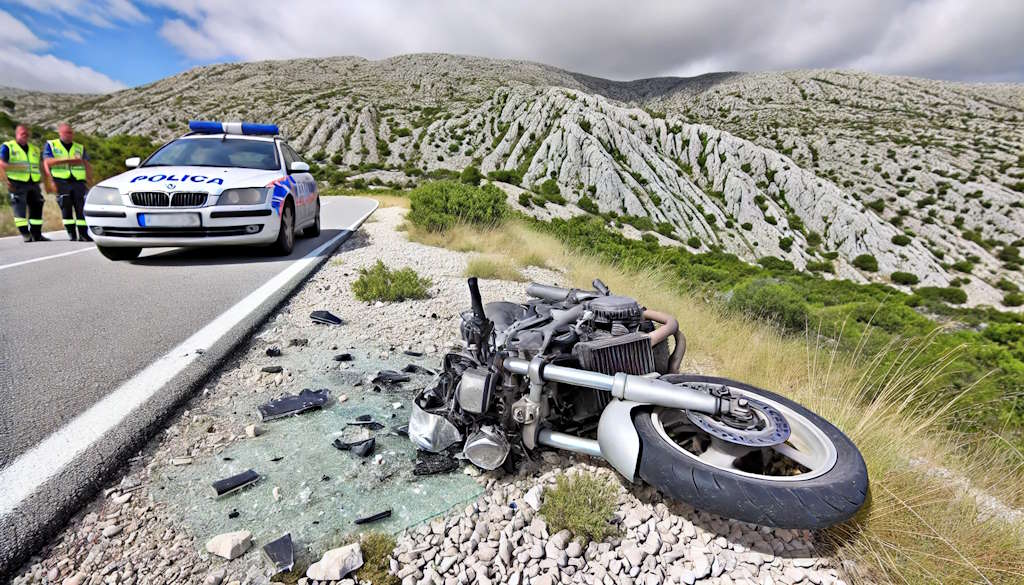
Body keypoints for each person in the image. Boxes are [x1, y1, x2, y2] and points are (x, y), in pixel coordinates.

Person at [43, 123, 93, 241]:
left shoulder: (79, 147)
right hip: (61, 180)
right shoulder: (51, 145)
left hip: (78, 181)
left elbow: (86, 163)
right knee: (66, 207)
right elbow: (48, 162)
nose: (69, 135)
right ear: (60, 133)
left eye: (71, 133)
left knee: (80, 208)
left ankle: (83, 234)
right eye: (66, 133)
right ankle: (71, 233)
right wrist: (70, 160)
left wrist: (90, 179)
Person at [0, 125, 48, 242]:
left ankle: (37, 234)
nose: (25, 135)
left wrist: (46, 181)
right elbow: (1, 164)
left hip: (33, 183)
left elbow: (40, 166)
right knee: (19, 209)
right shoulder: (8, 147)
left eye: (27, 133)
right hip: (17, 183)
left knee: (37, 207)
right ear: (16, 134)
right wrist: (7, 180)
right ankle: (25, 234)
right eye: (22, 133)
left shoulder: (34, 149)